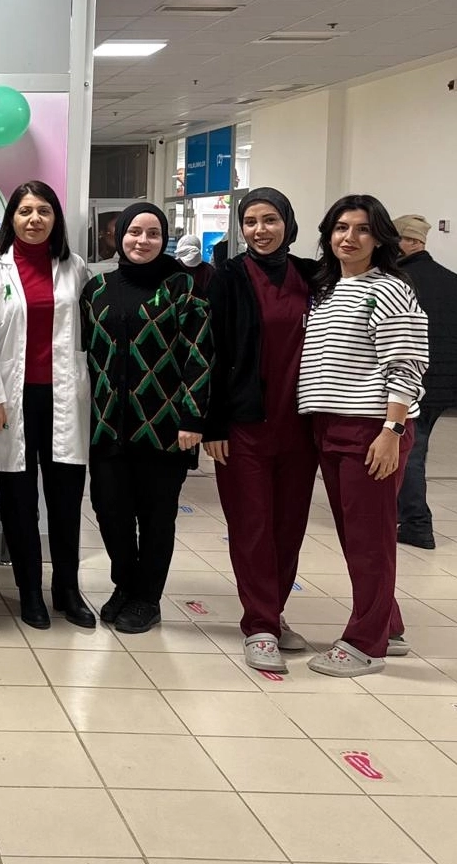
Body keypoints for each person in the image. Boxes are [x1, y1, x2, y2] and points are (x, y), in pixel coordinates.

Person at [299, 194, 428, 677]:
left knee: (371, 539)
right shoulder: (329, 289)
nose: (348, 238)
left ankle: (365, 642)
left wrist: (391, 430)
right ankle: (387, 625)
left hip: (371, 429)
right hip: (328, 426)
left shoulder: (389, 289)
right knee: (357, 536)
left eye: (362, 229)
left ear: (380, 238)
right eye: (340, 228)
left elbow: (407, 365)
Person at [81, 203, 212, 635]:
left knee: (156, 517)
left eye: (153, 233)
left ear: (164, 239)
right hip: (107, 425)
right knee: (109, 511)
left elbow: (199, 355)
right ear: (119, 236)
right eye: (134, 232)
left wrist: (193, 417)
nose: (142, 240)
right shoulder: (97, 289)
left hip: (164, 428)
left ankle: (147, 598)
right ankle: (125, 584)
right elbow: (85, 354)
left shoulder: (182, 288)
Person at [203, 188, 318, 671]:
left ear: (288, 223)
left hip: (301, 427)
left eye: (270, 220)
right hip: (244, 425)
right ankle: (259, 625)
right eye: (250, 222)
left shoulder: (313, 276)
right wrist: (212, 424)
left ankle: (274, 611)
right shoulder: (228, 278)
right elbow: (210, 352)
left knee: (288, 527)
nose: (259, 230)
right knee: (252, 527)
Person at [0, 181, 93, 630]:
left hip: (65, 398)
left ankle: (67, 589)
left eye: (43, 211)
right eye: (25, 211)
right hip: (13, 400)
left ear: (55, 218)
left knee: (66, 500)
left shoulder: (75, 269)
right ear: (12, 218)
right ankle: (29, 591)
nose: (34, 219)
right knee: (19, 502)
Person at [395, 214, 456, 550]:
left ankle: (417, 524)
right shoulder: (450, 280)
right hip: (444, 385)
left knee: (410, 452)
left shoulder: (400, 281)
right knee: (415, 448)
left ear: (410, 242)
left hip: (413, 383)